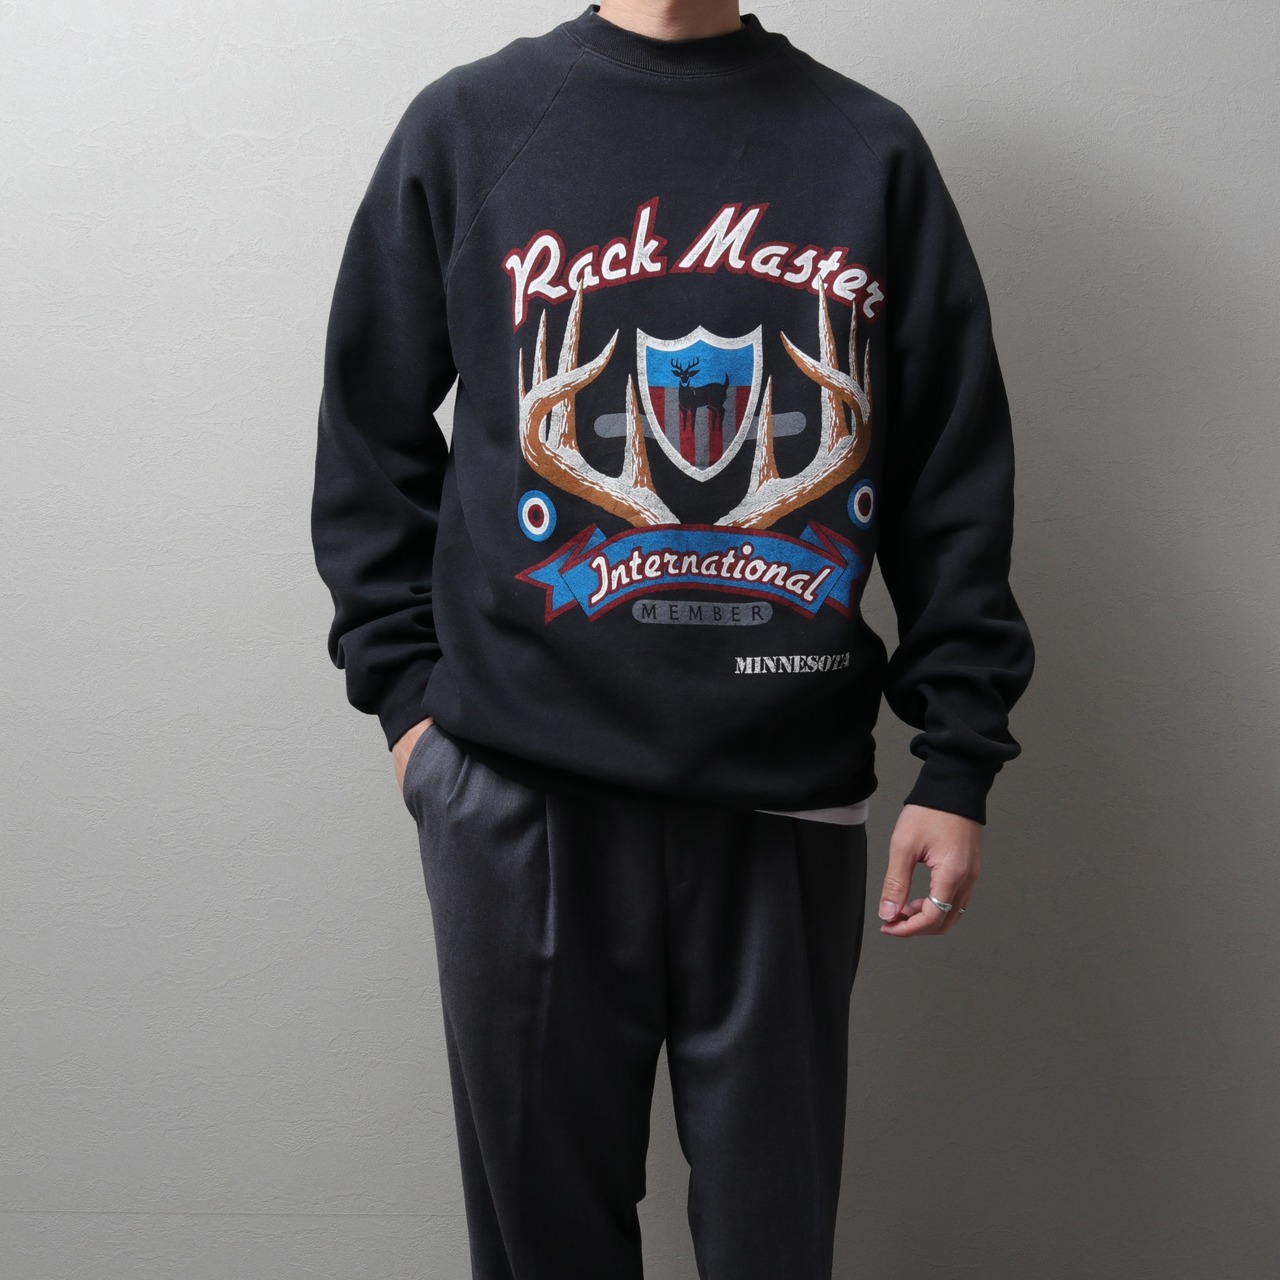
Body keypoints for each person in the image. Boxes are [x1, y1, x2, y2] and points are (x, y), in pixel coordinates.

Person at [311, 2, 1035, 1275]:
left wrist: (957, 753)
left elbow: (950, 469)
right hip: (517, 794)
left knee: (772, 1249)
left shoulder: (868, 150)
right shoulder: (470, 127)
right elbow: (367, 432)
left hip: (783, 799)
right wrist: (412, 713)